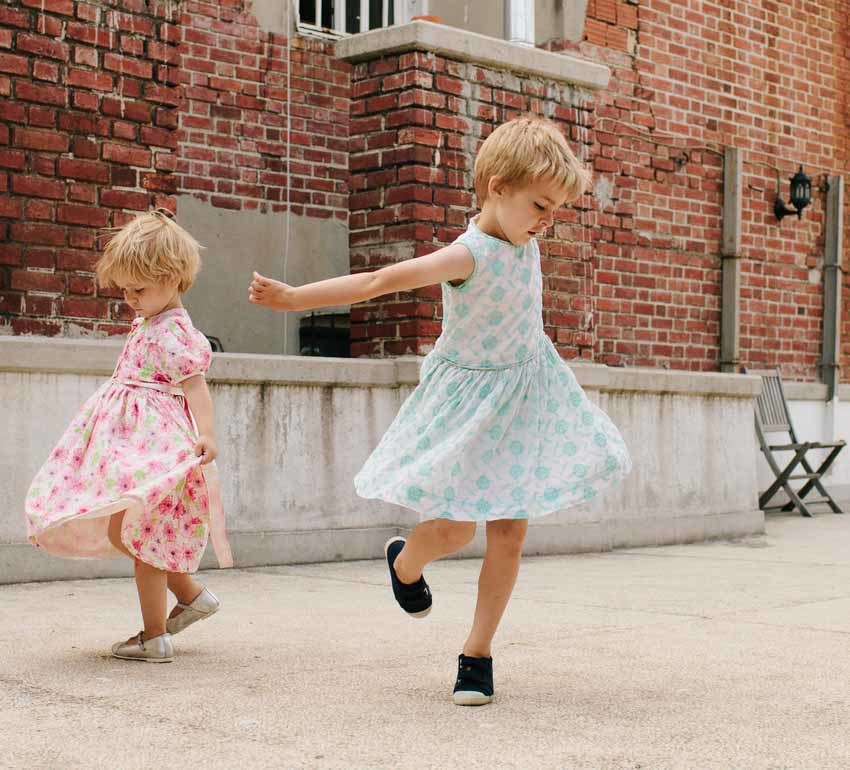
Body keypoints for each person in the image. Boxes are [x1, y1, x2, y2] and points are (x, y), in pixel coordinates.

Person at [249, 115, 631, 704]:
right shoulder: (466, 255)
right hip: (468, 405)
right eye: (539, 205)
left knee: (509, 531)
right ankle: (405, 562)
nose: (547, 220)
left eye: (556, 208)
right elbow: (379, 280)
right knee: (454, 528)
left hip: (526, 397)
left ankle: (476, 656)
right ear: (498, 187)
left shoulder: (526, 244)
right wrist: (295, 298)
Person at [26, 209, 233, 663]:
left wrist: (208, 435)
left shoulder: (176, 331)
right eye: (125, 290)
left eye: (139, 290)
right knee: (129, 533)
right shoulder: (148, 323)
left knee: (141, 535)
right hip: (130, 444)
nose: (131, 300)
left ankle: (154, 636)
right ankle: (192, 596)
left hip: (156, 446)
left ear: (174, 278)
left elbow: (195, 387)